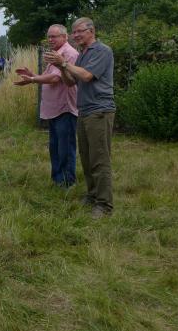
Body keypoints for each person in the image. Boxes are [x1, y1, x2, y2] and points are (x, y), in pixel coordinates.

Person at [46, 17, 116, 218]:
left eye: (79, 31)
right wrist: (61, 67)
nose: (75, 35)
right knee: (86, 157)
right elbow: (71, 83)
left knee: (99, 158)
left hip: (99, 111)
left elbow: (86, 76)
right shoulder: (82, 54)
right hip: (84, 111)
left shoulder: (102, 50)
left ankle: (104, 204)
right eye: (74, 32)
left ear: (91, 31)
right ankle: (92, 195)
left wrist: (64, 62)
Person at [14, 25, 79, 188]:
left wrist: (33, 80)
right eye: (49, 36)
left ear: (65, 37)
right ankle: (57, 179)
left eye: (54, 36)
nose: (50, 39)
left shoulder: (69, 53)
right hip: (55, 109)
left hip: (64, 108)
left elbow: (56, 79)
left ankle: (67, 182)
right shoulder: (56, 54)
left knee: (65, 147)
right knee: (55, 146)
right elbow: (49, 76)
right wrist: (32, 75)